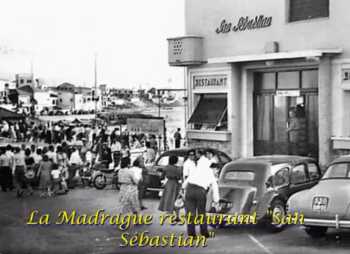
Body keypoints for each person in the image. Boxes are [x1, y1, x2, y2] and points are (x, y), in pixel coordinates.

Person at [183, 149, 219, 237]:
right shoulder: (210, 172)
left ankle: (191, 233)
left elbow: (186, 181)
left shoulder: (197, 168)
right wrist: (216, 200)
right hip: (200, 191)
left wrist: (183, 189)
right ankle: (204, 232)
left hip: (190, 189)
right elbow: (214, 186)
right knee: (201, 212)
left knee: (190, 213)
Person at [159, 155, 182, 220]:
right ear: (176, 161)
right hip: (176, 184)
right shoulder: (178, 168)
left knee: (169, 199)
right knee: (176, 200)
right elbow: (180, 177)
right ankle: (177, 216)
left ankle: (170, 215)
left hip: (169, 184)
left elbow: (162, 177)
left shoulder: (166, 168)